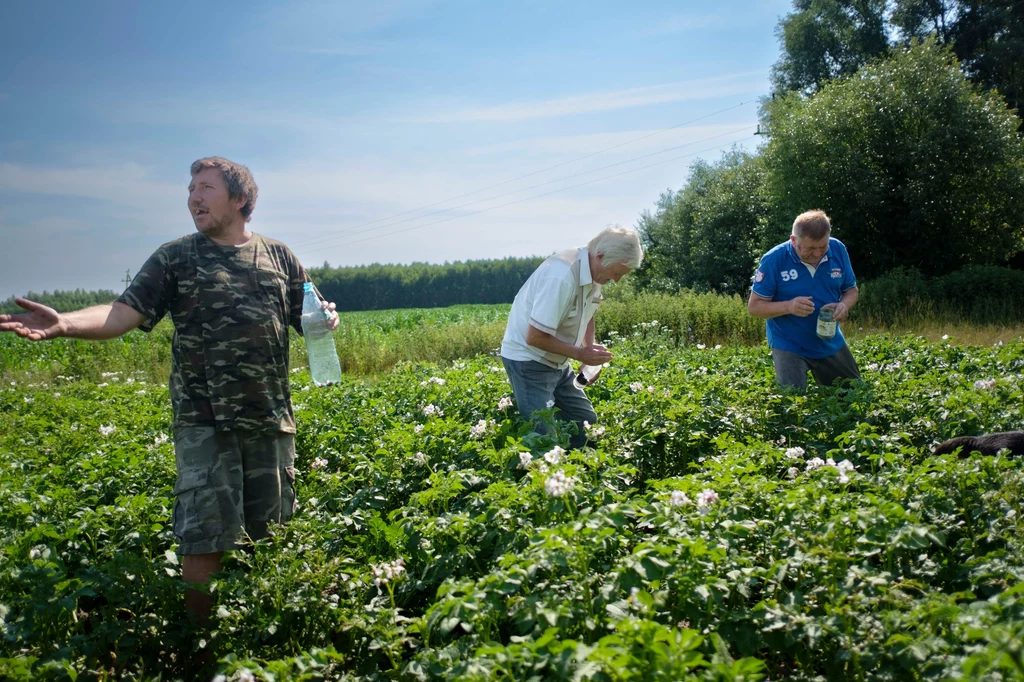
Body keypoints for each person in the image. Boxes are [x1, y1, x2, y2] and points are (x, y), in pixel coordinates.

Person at [0, 157, 338, 635]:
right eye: (190, 189)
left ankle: (266, 636)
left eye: (206, 188)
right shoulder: (174, 257)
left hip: (270, 420)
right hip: (205, 422)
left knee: (273, 534)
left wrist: (326, 317)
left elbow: (311, 315)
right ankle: (201, 646)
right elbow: (122, 314)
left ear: (241, 199)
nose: (193, 198)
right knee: (204, 536)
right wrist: (65, 324)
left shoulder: (280, 257)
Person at [500, 225, 643, 448]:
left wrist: (588, 350)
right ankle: (543, 476)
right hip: (528, 360)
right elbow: (535, 337)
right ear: (601, 256)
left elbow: (589, 311)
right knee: (543, 438)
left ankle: (580, 475)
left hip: (556, 359)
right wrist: (579, 353)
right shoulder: (561, 275)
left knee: (585, 422)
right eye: (617, 273)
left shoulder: (594, 273)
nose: (616, 280)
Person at [747, 209, 861, 390]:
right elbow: (754, 307)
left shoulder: (837, 249)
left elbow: (851, 290)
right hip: (789, 343)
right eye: (810, 248)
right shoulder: (774, 259)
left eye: (822, 247)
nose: (817, 254)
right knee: (793, 403)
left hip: (828, 339)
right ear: (794, 241)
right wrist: (789, 306)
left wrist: (844, 305)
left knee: (854, 394)